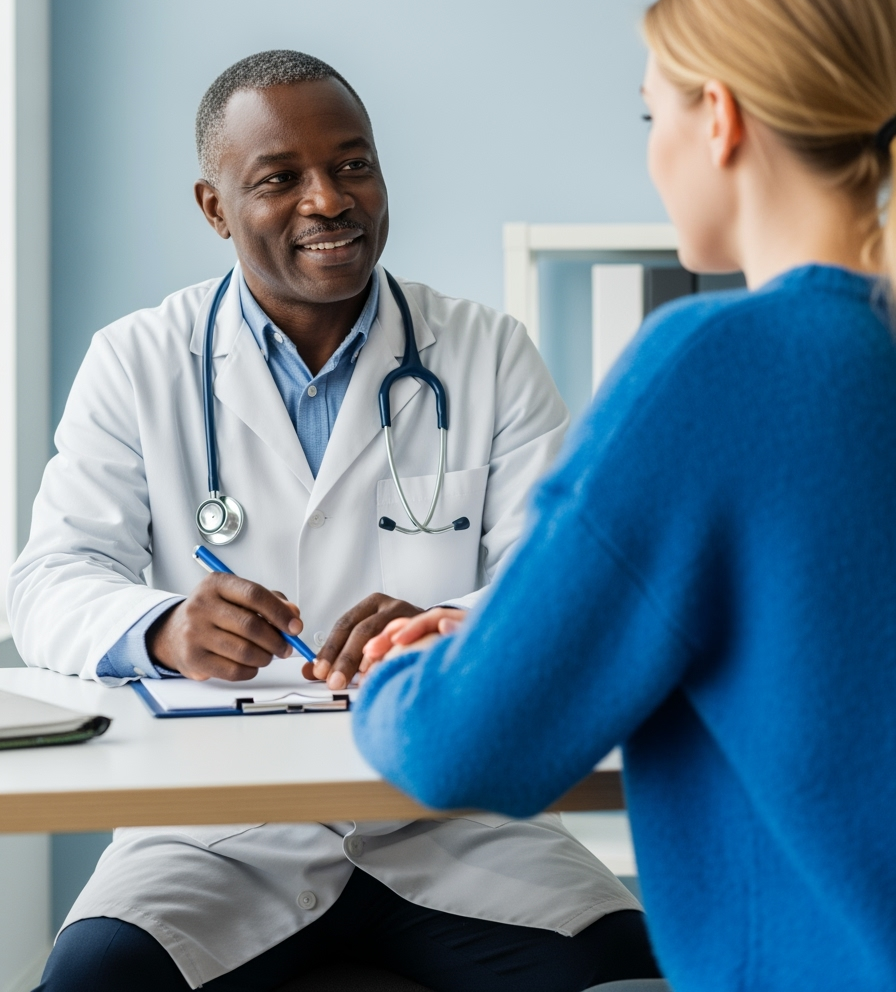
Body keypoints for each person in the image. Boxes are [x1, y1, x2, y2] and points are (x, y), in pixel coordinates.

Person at [9, 50, 658, 991]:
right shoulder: (137, 361)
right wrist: (163, 625)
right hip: (215, 833)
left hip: (457, 814)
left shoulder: (485, 352)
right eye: (280, 178)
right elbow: (47, 583)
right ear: (213, 207)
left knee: (626, 975)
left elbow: (560, 586)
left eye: (352, 164)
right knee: (92, 983)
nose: (329, 199)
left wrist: (450, 628)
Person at [354, 0, 896, 992]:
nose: (650, 150)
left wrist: (403, 672)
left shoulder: (713, 362)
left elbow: (468, 744)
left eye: (653, 113)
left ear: (721, 118)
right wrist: (537, 626)